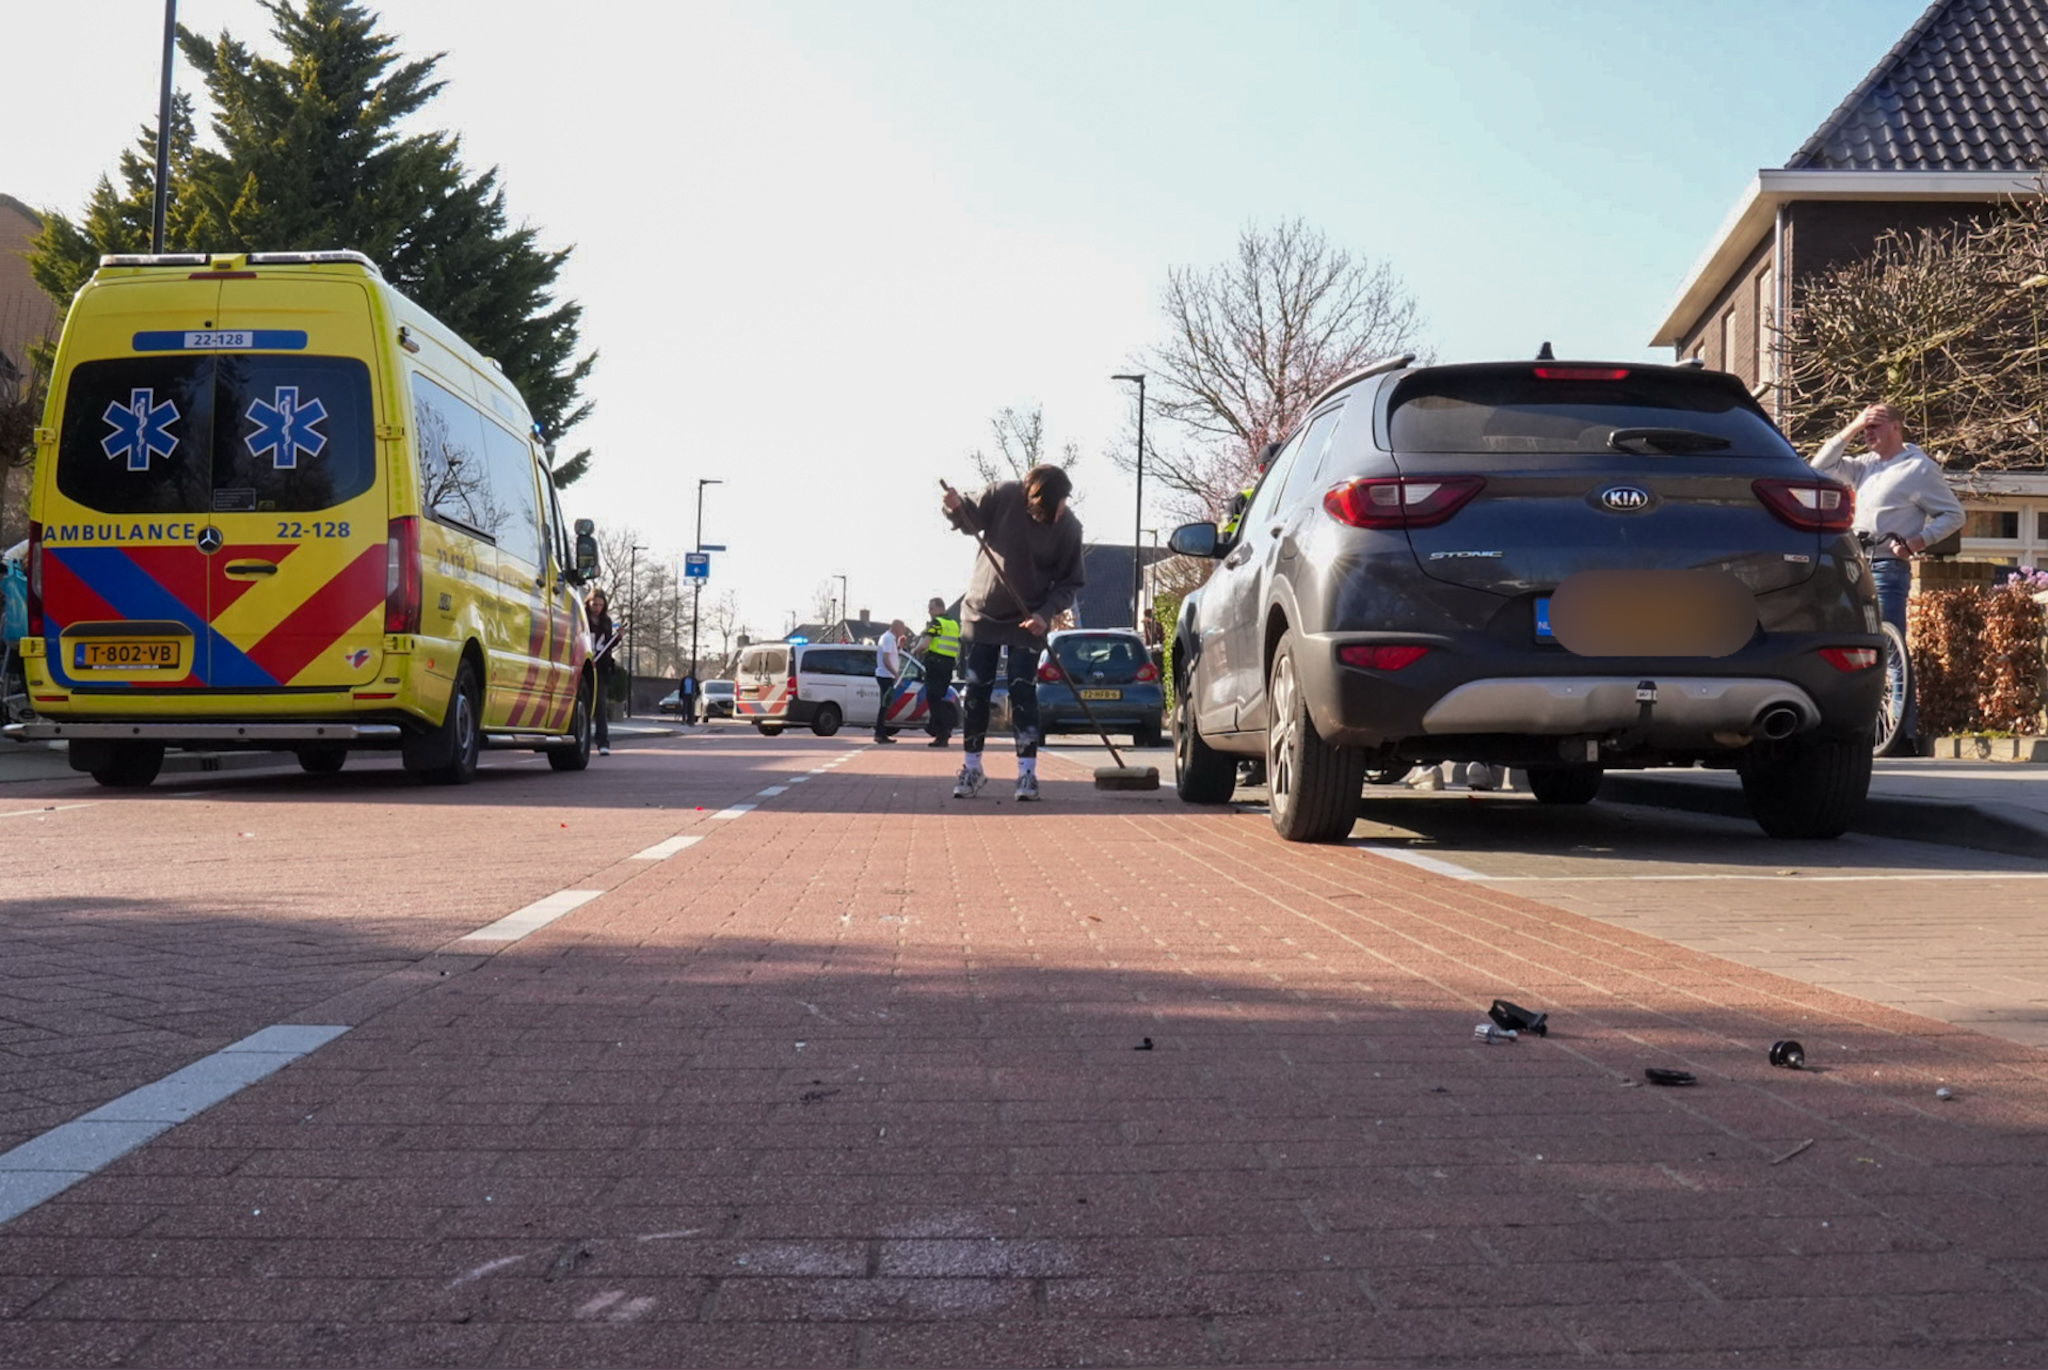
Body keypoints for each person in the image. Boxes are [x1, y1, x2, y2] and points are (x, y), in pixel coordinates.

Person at [1808, 402, 1964, 748]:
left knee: (1889, 647)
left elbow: (1953, 514)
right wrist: (1851, 427)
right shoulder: (1865, 466)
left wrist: (1917, 541)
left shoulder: (1919, 469)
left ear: (1897, 427)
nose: (1869, 433)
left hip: (1887, 565)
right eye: (1866, 428)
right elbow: (1820, 466)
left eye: (1875, 426)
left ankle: (1901, 735)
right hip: (1852, 564)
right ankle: (1852, 727)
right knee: (1845, 646)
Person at [941, 464, 1086, 802]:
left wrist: (1045, 614)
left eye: (1062, 504)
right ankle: (972, 767)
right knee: (977, 691)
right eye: (1050, 507)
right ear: (1031, 498)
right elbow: (970, 520)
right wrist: (954, 507)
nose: (1057, 512)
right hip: (982, 613)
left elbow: (1071, 582)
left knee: (1023, 691)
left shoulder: (1069, 527)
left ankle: (1027, 775)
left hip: (1028, 617)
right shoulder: (1003, 494)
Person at [918, 596, 960, 748]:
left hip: (936, 664)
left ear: (940, 608)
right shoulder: (954, 624)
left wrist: (915, 650)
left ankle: (940, 730)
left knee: (933, 698)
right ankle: (941, 731)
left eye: (931, 608)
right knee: (939, 697)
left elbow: (925, 644)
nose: (929, 612)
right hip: (948, 666)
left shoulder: (937, 623)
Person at [586, 588, 618, 756]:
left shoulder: (606, 621)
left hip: (601, 668)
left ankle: (603, 742)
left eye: (600, 605)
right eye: (594, 604)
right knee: (583, 702)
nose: (597, 608)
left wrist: (617, 637)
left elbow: (607, 645)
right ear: (588, 603)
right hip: (583, 665)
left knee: (600, 706)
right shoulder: (582, 618)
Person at [872, 618, 911, 743]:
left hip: (887, 675)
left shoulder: (890, 639)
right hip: (885, 676)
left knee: (886, 705)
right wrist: (896, 674)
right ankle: (879, 734)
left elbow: (893, 655)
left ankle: (881, 733)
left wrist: (900, 646)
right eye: (902, 629)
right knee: (884, 705)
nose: (903, 631)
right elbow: (886, 659)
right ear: (896, 627)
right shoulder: (888, 638)